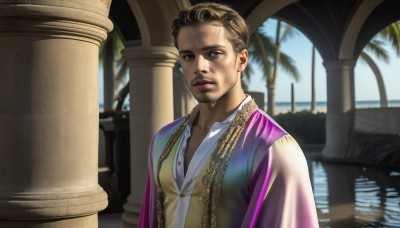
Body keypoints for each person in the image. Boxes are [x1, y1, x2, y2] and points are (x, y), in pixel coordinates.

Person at [138, 2, 319, 228]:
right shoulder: (162, 140)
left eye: (213, 53)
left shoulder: (273, 149)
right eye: (188, 56)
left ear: (241, 60)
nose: (200, 66)